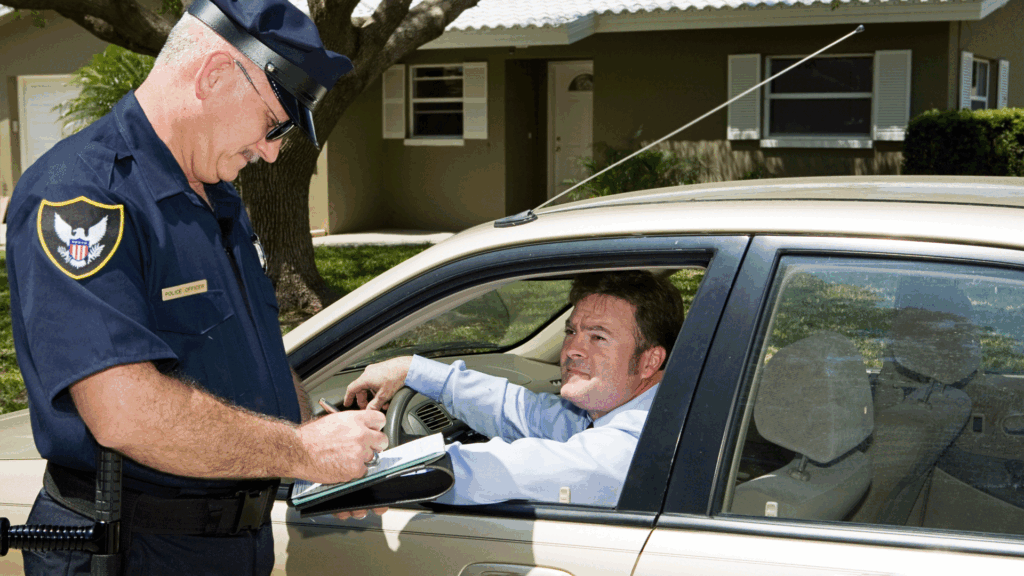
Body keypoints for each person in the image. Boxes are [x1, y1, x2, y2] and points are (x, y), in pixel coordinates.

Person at [6, 1, 387, 574]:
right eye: (274, 122)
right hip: (136, 550)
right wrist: (303, 452)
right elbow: (124, 411)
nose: (272, 149)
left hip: (230, 544)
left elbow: (244, 348)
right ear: (213, 75)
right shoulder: (86, 197)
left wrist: (312, 439)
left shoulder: (217, 196)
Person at [343, 271, 685, 506]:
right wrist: (412, 369)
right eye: (571, 332)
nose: (572, 350)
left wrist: (363, 460)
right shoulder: (633, 409)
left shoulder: (628, 447)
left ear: (649, 361)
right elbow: (525, 412)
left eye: (598, 337)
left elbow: (496, 471)